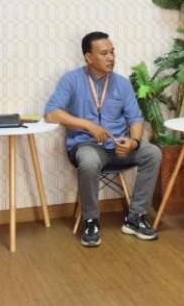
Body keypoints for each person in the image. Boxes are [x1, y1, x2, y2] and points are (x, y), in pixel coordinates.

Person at [45, 31, 162, 247]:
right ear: (88, 57)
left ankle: (135, 217)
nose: (111, 58)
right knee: (89, 161)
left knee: (152, 153)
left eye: (112, 52)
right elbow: (51, 114)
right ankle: (91, 221)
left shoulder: (122, 84)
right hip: (86, 146)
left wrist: (134, 142)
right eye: (104, 53)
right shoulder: (71, 79)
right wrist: (88, 125)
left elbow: (135, 118)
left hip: (118, 147)